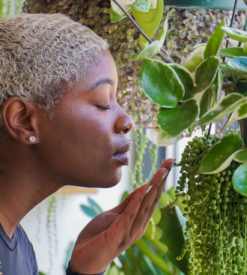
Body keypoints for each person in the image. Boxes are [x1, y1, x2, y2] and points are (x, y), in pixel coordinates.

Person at [0, 13, 174, 275]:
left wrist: (85, 269)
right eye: (104, 102)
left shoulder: (20, 247)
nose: (127, 121)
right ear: (24, 120)